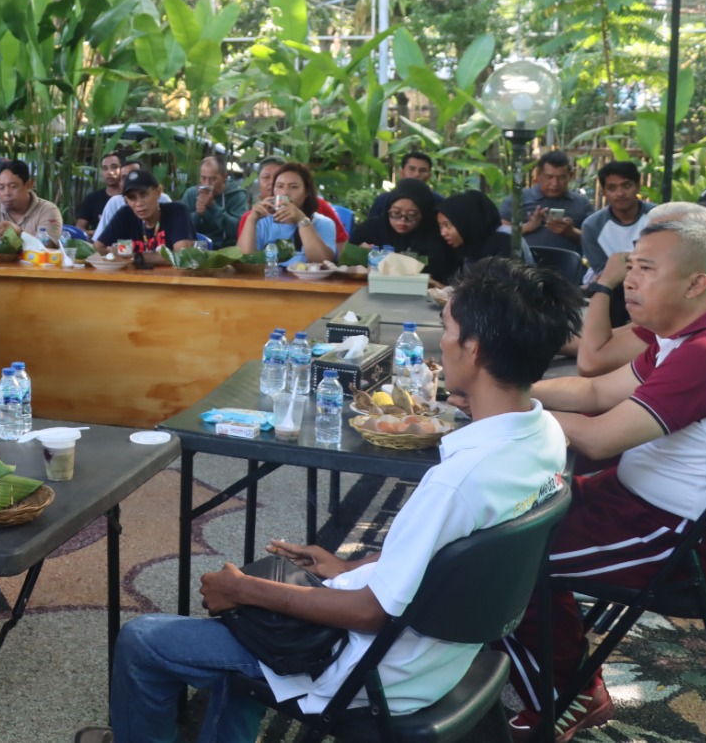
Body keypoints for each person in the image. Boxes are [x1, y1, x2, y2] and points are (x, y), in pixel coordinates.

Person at [94, 257, 578, 743]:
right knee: (254, 620)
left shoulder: (458, 482)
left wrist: (244, 591)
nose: (443, 341)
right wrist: (350, 569)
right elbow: (452, 558)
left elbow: (371, 614)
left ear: (472, 348)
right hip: (447, 658)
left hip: (375, 674)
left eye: (447, 328)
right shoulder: (545, 436)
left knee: (144, 640)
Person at [511, 216, 706, 741]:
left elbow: (599, 437)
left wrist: (503, 410)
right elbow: (595, 393)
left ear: (697, 282)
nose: (629, 281)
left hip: (679, 540)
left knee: (504, 562)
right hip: (633, 503)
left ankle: (571, 691)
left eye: (646, 269)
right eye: (630, 267)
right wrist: (513, 389)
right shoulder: (692, 329)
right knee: (500, 517)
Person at [575, 202, 706, 377]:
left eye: (661, 238)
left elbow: (592, 362)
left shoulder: (694, 301)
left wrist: (604, 284)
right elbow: (610, 341)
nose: (644, 247)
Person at [236, 161, 337, 266]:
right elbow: (244, 262)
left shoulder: (323, 223)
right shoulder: (261, 222)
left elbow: (323, 263)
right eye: (280, 186)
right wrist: (251, 219)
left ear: (307, 192)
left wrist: (301, 219)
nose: (285, 192)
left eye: (293, 187)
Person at [499, 150, 592, 256]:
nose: (555, 183)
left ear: (570, 176)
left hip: (568, 267)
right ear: (538, 175)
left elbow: (595, 239)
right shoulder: (519, 198)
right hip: (523, 266)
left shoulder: (581, 203)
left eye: (561, 178)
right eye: (549, 177)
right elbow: (499, 232)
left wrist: (571, 232)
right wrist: (527, 227)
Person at [96, 167, 195, 256]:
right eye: (132, 198)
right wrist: (111, 251)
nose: (139, 203)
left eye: (143, 195)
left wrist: (136, 257)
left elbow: (182, 256)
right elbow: (99, 246)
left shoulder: (177, 212)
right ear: (126, 200)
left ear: (158, 192)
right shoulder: (125, 214)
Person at [580, 160, 653, 278]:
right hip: (612, 286)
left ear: (638, 187)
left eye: (626, 186)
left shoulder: (659, 217)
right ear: (604, 192)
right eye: (612, 188)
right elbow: (601, 271)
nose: (620, 193)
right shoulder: (592, 226)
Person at [349, 179, 446, 266]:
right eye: (396, 213)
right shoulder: (371, 228)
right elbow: (348, 259)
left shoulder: (435, 233)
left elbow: (436, 265)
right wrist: (361, 253)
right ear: (388, 209)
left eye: (411, 215)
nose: (402, 220)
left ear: (424, 213)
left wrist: (379, 256)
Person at [429, 189, 513, 283]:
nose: (443, 232)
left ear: (466, 220)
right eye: (440, 226)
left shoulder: (504, 241)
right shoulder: (470, 246)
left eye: (447, 225)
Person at [0, 159, 63, 241]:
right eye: (1, 188)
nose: (6, 193)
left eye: (13, 186)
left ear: (29, 185)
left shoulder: (48, 210)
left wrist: (19, 233)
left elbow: (47, 245)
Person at [184, 155, 248, 248]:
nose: (207, 184)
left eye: (213, 179)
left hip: (227, 249)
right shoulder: (191, 194)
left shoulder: (236, 195)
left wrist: (213, 207)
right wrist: (197, 214)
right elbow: (182, 230)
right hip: (197, 249)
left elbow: (239, 230)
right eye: (203, 178)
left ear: (224, 177)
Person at [366, 151, 442, 219]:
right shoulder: (383, 200)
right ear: (401, 172)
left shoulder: (439, 202)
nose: (417, 174)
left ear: (429, 176)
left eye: (422, 170)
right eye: (412, 169)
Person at [77, 148, 127, 234]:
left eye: (114, 167)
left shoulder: (132, 197)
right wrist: (93, 234)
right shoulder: (93, 198)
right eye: (105, 168)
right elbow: (79, 228)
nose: (109, 172)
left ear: (123, 169)